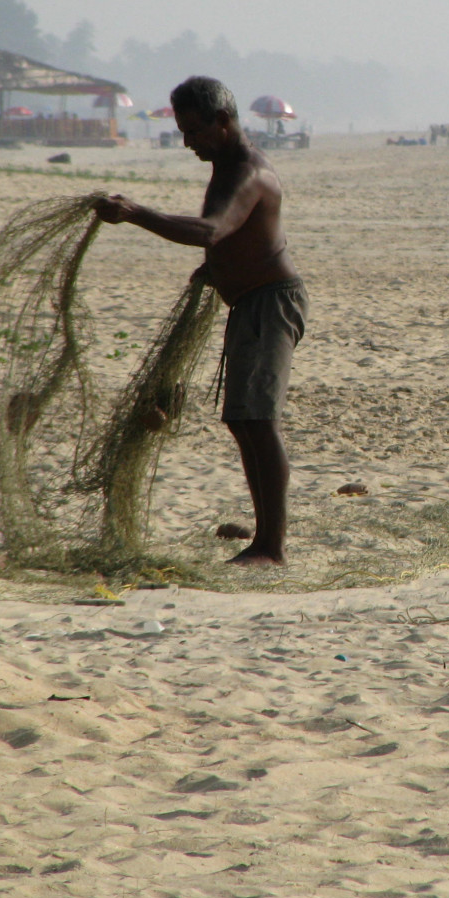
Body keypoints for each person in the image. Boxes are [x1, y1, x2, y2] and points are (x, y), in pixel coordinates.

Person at [92, 76, 307, 565]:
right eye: (183, 132)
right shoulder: (226, 165)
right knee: (242, 420)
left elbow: (212, 229)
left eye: (194, 131)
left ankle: (271, 548)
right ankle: (264, 541)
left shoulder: (247, 171)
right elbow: (233, 240)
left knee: (259, 420)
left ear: (223, 121)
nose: (187, 143)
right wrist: (216, 271)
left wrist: (134, 212)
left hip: (270, 303)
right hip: (249, 303)